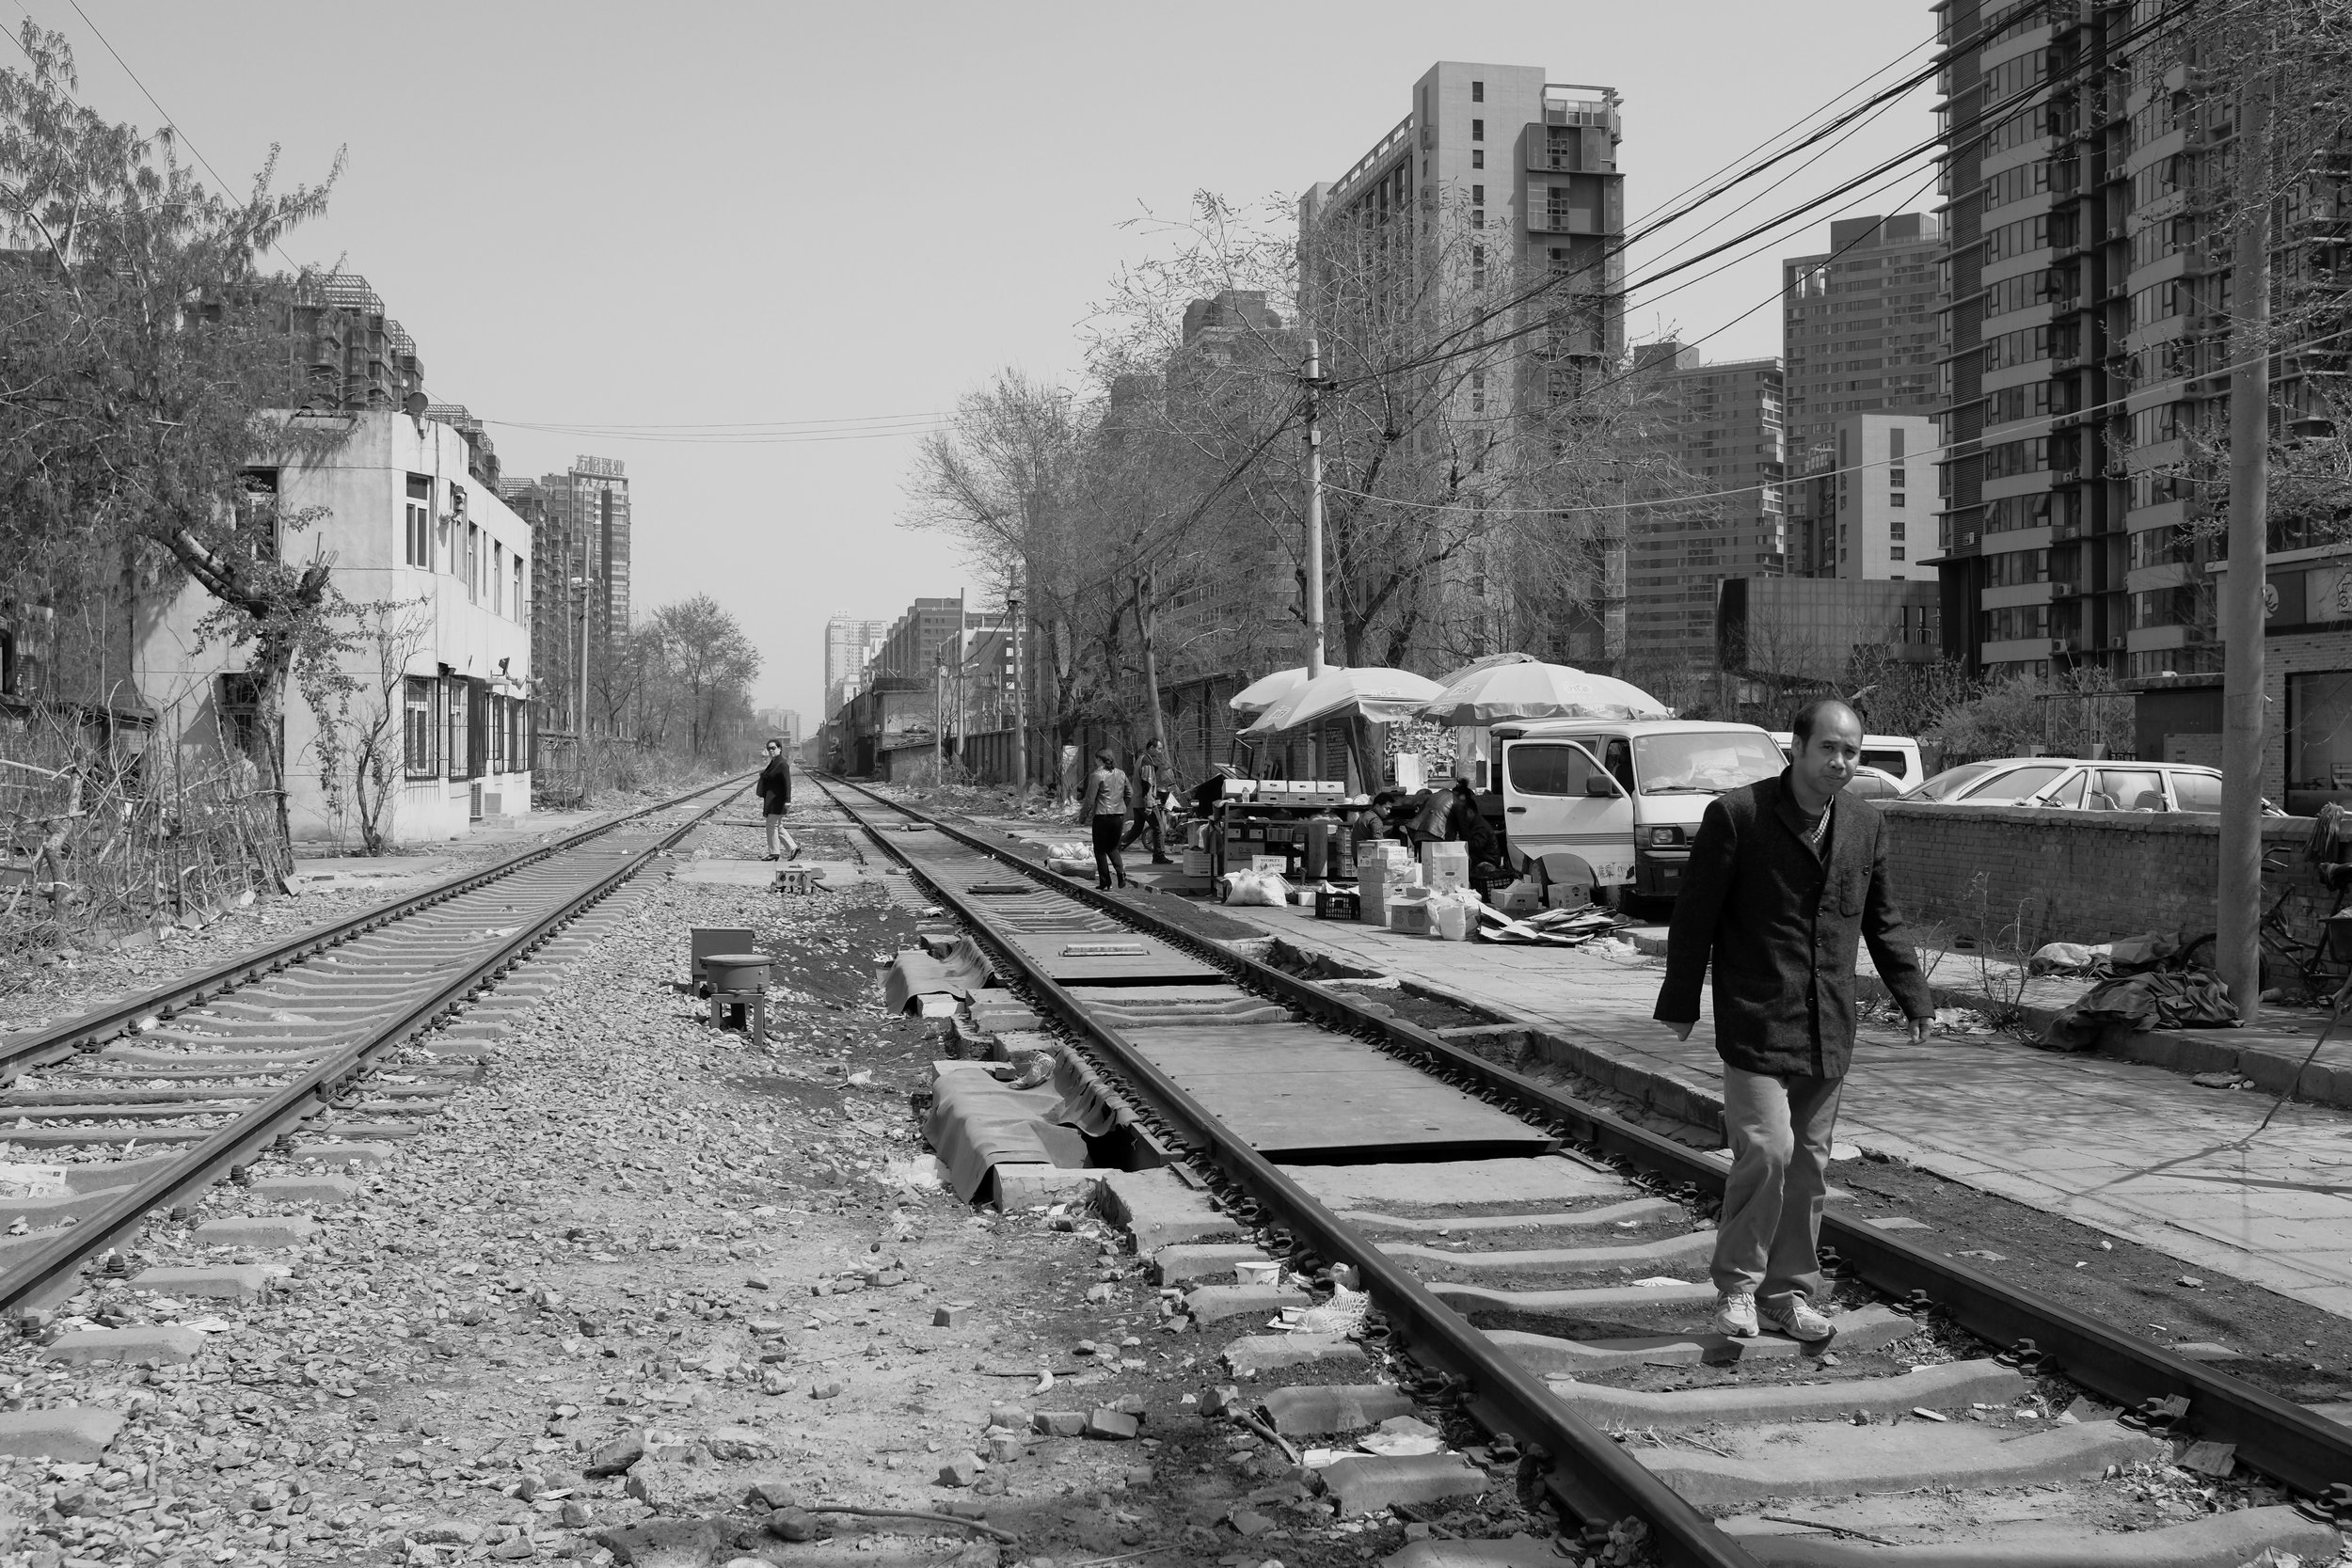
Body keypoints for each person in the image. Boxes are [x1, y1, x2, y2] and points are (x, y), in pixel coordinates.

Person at [1652, 698, 1933, 1345]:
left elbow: (1881, 919)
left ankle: (1788, 1293)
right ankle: (1738, 1289)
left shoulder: (1864, 825)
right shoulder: (1738, 816)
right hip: (1755, 1019)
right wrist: (1680, 1002)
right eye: (1828, 748)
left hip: (1828, 1023)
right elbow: (1695, 916)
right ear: (1798, 748)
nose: (1840, 762)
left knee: (1809, 1162)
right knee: (1769, 1150)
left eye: (1852, 751)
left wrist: (1913, 995)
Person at [1077, 748, 1131, 890]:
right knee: (1113, 847)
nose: (1095, 762)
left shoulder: (1097, 775)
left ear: (1100, 759)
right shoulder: (1121, 774)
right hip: (1119, 816)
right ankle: (1121, 873)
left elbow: (1089, 800)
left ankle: (1105, 882)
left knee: (1100, 850)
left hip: (1102, 816)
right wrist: (1122, 807)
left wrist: (1082, 817)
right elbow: (1129, 793)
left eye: (1096, 759)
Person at [1442, 778, 1504, 895]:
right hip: (1481, 859)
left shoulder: (1480, 825)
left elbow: (1477, 845)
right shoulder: (1475, 824)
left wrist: (1459, 846)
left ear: (1470, 811)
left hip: (1487, 861)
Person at [1120, 737, 1175, 865]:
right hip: (1145, 802)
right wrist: (1149, 804)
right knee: (1159, 828)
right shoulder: (1146, 762)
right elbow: (1147, 784)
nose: (1160, 752)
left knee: (1137, 829)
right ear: (1151, 748)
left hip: (1137, 801)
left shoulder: (1142, 759)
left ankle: (1116, 847)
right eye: (1159, 749)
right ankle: (1159, 855)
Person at [755, 738, 792, 861]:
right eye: (769, 748)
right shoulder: (774, 763)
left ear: (780, 749)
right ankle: (793, 848)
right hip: (773, 800)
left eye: (773, 748)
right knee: (778, 826)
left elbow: (787, 783)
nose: (771, 750)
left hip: (778, 800)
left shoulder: (782, 764)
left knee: (771, 825)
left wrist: (788, 800)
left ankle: (774, 853)